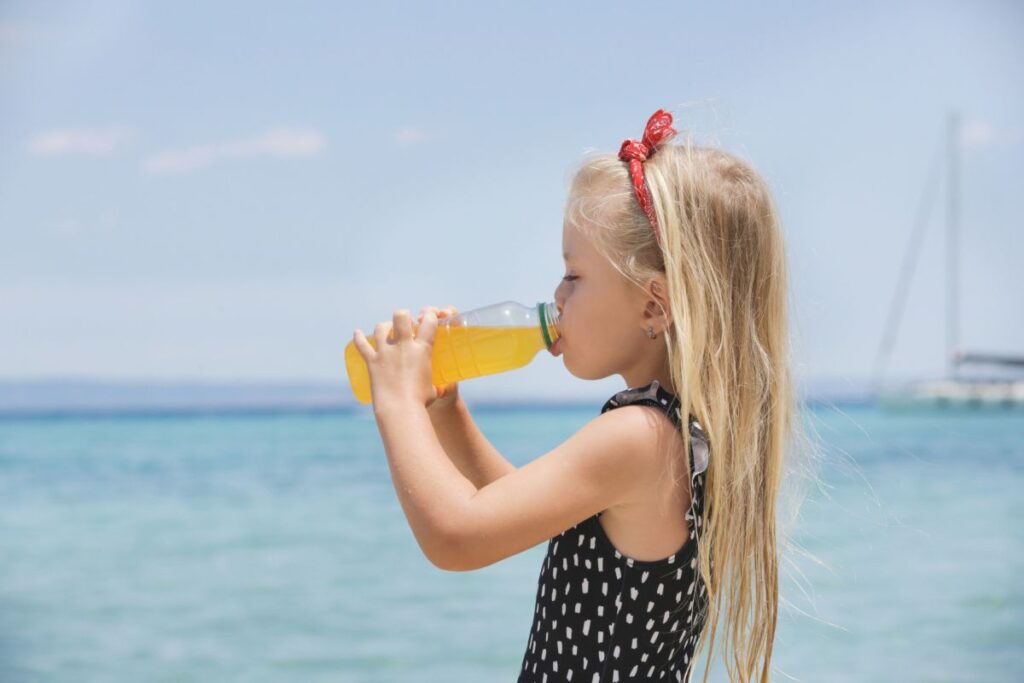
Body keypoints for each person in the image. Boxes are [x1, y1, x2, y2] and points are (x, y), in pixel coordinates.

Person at [352, 108, 797, 683]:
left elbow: (456, 537)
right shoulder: (676, 436)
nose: (556, 297)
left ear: (653, 305)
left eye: (574, 276)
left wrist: (396, 402)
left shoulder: (639, 436)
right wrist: (446, 412)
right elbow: (516, 506)